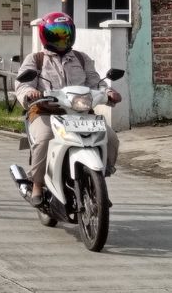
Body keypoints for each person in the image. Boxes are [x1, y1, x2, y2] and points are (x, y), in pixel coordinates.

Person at [15, 12, 121, 207]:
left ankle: (99, 178)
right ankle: (37, 183)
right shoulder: (36, 59)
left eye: (65, 32)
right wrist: (31, 93)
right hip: (46, 111)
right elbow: (22, 85)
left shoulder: (81, 59)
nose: (62, 37)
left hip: (80, 113)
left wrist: (108, 92)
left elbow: (96, 82)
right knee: (45, 139)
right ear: (45, 35)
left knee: (111, 137)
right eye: (56, 33)